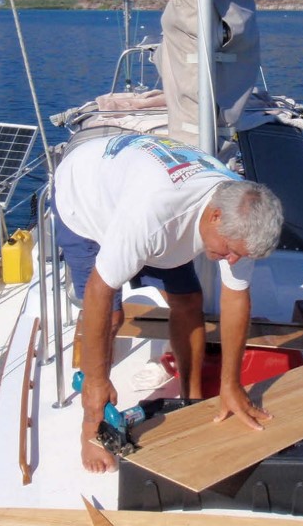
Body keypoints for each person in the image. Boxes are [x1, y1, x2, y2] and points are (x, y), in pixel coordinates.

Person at [52, 133, 284, 473]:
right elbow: (98, 291)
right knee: (112, 316)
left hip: (141, 196)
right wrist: (97, 382)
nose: (233, 260)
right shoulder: (153, 216)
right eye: (230, 251)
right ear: (215, 217)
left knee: (189, 301)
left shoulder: (240, 219)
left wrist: (231, 384)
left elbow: (236, 297)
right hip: (86, 197)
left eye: (240, 255)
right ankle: (92, 426)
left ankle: (191, 399)